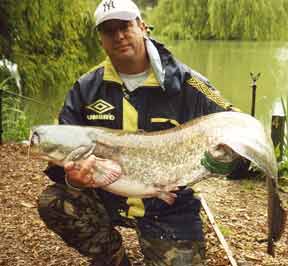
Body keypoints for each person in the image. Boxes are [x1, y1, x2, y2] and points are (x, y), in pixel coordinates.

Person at [37, 0, 242, 265]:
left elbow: (236, 124)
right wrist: (74, 178)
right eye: (109, 30)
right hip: (107, 196)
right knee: (54, 201)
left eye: (125, 26)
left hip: (169, 206)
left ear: (142, 27)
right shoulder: (85, 88)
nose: (119, 36)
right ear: (101, 39)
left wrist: (230, 160)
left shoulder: (189, 82)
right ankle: (112, 256)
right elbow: (57, 156)